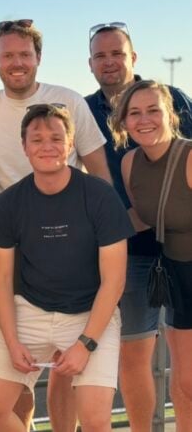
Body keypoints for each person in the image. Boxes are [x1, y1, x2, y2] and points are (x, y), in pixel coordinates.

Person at [0, 18, 111, 431]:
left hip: (73, 246)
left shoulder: (68, 101)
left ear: (38, 58)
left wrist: (101, 234)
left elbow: (99, 173)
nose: (17, 62)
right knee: (18, 365)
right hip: (13, 249)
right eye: (8, 55)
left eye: (24, 54)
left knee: (67, 363)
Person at [0, 104, 134, 432]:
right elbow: (1, 279)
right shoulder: (9, 202)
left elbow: (114, 280)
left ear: (71, 144)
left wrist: (86, 343)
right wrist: (12, 341)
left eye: (56, 138)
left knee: (95, 421)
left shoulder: (100, 196)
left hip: (89, 312)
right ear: (24, 146)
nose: (46, 146)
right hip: (30, 310)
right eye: (37, 139)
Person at [86, 22, 192, 431]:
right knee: (135, 358)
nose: (109, 62)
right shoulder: (85, 111)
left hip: (182, 255)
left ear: (133, 57)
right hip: (131, 254)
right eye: (100, 55)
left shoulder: (174, 98)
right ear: (90, 63)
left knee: (186, 371)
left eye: (117, 53)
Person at [110, 79, 192, 432]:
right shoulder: (130, 163)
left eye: (153, 110)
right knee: (185, 382)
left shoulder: (189, 157)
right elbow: (141, 219)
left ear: (170, 114)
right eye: (135, 113)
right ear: (123, 122)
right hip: (175, 274)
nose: (144, 120)